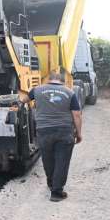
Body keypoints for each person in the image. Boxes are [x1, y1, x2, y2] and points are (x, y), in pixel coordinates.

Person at [19, 72, 83, 202]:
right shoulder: (69, 93)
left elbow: (24, 100)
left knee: (48, 159)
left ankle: (51, 184)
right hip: (64, 132)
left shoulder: (37, 90)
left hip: (43, 131)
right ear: (62, 81)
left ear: (49, 80)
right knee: (62, 161)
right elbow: (76, 114)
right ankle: (56, 192)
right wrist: (79, 133)